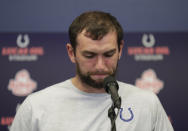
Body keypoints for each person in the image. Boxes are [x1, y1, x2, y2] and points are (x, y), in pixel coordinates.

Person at [10, 11, 174, 131]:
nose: (101, 65)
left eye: (109, 54)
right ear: (71, 52)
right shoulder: (36, 107)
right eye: (90, 55)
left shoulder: (147, 103)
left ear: (120, 49)